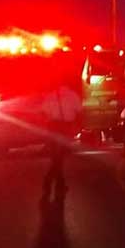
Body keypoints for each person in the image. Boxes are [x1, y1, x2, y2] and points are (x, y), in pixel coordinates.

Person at [41, 75, 83, 204]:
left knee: (56, 157)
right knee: (59, 157)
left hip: (53, 127)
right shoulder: (72, 95)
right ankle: (49, 182)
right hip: (65, 128)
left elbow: (44, 112)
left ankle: (58, 183)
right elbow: (79, 110)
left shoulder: (50, 96)